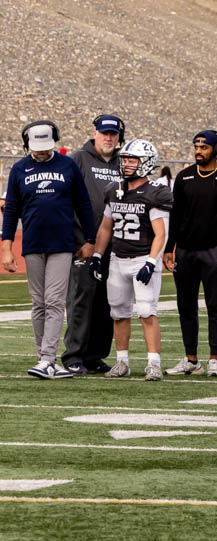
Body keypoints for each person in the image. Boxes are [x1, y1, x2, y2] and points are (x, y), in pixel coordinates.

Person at [1, 121, 96, 379]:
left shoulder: (68, 166)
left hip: (62, 244)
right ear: (27, 145)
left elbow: (83, 203)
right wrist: (6, 247)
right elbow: (11, 210)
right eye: (37, 147)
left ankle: (46, 359)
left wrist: (90, 239)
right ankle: (46, 359)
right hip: (32, 243)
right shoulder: (19, 169)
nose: (42, 151)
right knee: (38, 303)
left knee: (54, 301)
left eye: (45, 146)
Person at [163, 130, 217, 378]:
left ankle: (214, 359)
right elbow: (175, 216)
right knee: (186, 306)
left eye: (204, 147)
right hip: (185, 251)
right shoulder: (184, 177)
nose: (198, 151)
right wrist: (169, 248)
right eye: (196, 147)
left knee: (215, 306)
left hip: (213, 251)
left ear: (216, 150)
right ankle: (191, 359)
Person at [91, 139, 172, 381]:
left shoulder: (155, 192)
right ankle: (122, 362)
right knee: (118, 313)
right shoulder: (113, 189)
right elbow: (106, 227)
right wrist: (97, 255)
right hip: (118, 259)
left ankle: (153, 363)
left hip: (142, 259)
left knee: (146, 312)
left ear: (146, 163)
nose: (126, 164)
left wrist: (151, 261)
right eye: (125, 159)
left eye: (132, 160)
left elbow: (161, 233)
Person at [62, 114, 124, 376]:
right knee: (81, 299)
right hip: (84, 244)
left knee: (107, 302)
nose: (108, 138)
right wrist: (79, 239)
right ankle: (74, 355)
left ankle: (96, 355)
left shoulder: (123, 162)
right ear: (95, 133)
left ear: (119, 137)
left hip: (116, 245)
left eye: (113, 134)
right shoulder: (78, 159)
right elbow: (66, 199)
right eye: (104, 133)